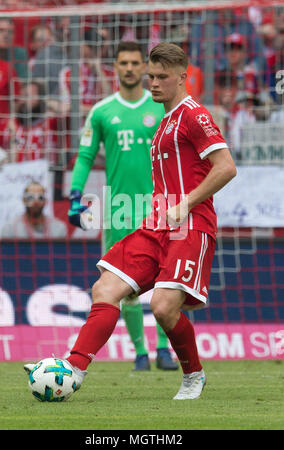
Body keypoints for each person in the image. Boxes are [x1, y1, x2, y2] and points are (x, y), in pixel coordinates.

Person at [25, 42, 236, 400]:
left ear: (183, 77)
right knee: (105, 288)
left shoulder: (193, 114)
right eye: (150, 76)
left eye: (161, 77)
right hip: (157, 222)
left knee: (163, 306)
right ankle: (73, 371)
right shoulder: (164, 120)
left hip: (189, 222)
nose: (152, 82)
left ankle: (193, 375)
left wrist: (185, 204)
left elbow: (226, 167)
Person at [68, 41, 178, 371]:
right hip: (119, 209)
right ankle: (141, 352)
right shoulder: (102, 111)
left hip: (164, 205)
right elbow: (86, 155)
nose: (129, 68)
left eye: (134, 62)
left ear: (144, 68)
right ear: (114, 68)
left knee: (166, 282)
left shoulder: (162, 107)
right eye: (123, 63)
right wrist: (76, 194)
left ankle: (163, 350)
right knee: (122, 285)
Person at [1, 181, 67, 239]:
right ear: (24, 200)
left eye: (40, 198)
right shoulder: (10, 229)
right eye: (30, 197)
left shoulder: (58, 228)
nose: (36, 202)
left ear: (45, 201)